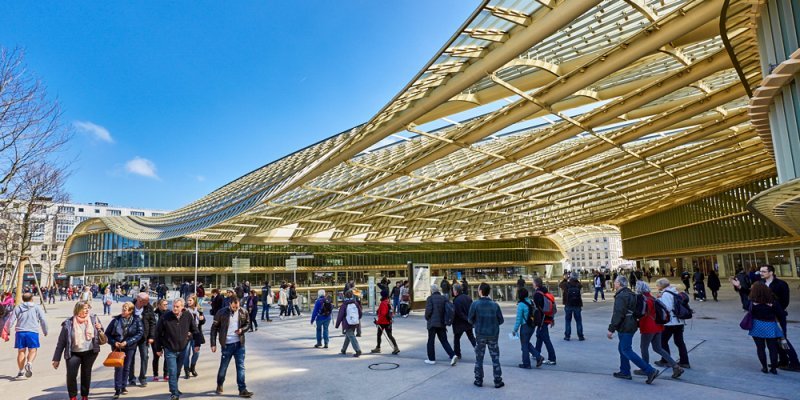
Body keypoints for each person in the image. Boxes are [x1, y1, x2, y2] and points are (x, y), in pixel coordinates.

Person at [607, 276, 659, 384]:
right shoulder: (631, 294)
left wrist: (611, 328)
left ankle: (649, 370)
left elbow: (618, 313)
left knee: (626, 349)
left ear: (619, 284)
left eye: (616, 282)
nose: (614, 283)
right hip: (632, 323)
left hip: (625, 325)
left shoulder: (621, 296)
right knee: (622, 348)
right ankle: (625, 371)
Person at [52, 301, 104, 400]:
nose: (87, 310)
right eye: (85, 308)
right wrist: (56, 359)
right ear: (78, 309)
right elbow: (61, 342)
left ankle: (85, 396)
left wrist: (100, 328)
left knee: (86, 374)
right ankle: (73, 396)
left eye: (88, 308)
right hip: (73, 353)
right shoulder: (68, 323)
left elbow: (102, 334)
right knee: (71, 375)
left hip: (90, 352)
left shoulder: (93, 319)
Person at [751, 265, 800, 371]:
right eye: (760, 271)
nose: (761, 273)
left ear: (771, 272)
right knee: (773, 341)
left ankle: (795, 362)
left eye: (764, 271)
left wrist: (776, 310)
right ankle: (782, 360)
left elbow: (785, 301)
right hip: (767, 318)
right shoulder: (761, 283)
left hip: (778, 316)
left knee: (783, 339)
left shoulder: (781, 284)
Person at [154, 298, 202, 400]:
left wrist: (197, 343)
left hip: (183, 349)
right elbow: (157, 334)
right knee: (172, 371)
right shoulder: (165, 317)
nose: (175, 308)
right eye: (173, 306)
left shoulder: (187, 315)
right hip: (169, 349)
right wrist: (158, 348)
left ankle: (174, 388)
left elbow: (195, 330)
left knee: (177, 371)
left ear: (182, 307)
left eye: (177, 307)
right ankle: (174, 393)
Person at [634, 281, 683, 379]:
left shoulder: (643, 299)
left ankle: (645, 368)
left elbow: (640, 313)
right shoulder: (653, 298)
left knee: (644, 347)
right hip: (658, 326)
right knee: (658, 348)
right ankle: (675, 366)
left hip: (648, 327)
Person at [210, 296, 253, 398]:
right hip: (227, 345)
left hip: (239, 344)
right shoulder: (221, 312)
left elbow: (248, 324)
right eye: (234, 307)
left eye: (237, 307)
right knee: (223, 368)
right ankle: (219, 384)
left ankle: (242, 389)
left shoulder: (243, 311)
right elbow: (214, 328)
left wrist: (242, 330)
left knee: (241, 367)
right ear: (229, 304)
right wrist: (213, 344)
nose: (236, 309)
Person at [2, 292, 49, 379]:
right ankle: (29, 363)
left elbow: (11, 320)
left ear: (23, 299)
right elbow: (43, 319)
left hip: (20, 332)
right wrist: (45, 330)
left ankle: (21, 372)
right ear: (32, 298)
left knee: (21, 351)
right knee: (33, 350)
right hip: (32, 332)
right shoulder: (37, 307)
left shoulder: (18, 307)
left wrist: (7, 330)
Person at [468, 282, 504, 388]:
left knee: (479, 358)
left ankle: (478, 380)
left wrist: (477, 323)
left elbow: (470, 319)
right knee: (495, 358)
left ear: (480, 291)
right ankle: (497, 380)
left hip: (480, 335)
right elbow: (501, 320)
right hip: (493, 335)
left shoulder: (475, 304)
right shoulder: (495, 305)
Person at [106, 302, 144, 399]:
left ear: (130, 311)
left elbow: (140, 333)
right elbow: (107, 334)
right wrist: (114, 342)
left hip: (129, 347)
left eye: (125, 309)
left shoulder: (136, 320)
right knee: (119, 368)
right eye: (122, 308)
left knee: (126, 367)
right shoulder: (116, 320)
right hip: (117, 347)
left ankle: (123, 386)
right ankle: (117, 389)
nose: (123, 311)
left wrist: (127, 342)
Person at [746, 282, 784, 374]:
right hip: (770, 325)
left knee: (760, 348)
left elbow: (749, 312)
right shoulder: (773, 301)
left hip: (757, 326)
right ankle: (774, 368)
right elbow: (780, 313)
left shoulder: (752, 302)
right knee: (772, 348)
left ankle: (764, 367)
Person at [654, 278, 691, 369]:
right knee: (679, 342)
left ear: (661, 286)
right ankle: (684, 361)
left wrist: (659, 300)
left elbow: (667, 308)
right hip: (679, 321)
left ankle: (666, 360)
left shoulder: (666, 294)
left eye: (657, 285)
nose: (657, 287)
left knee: (663, 341)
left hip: (670, 322)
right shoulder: (675, 291)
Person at [424, 284, 457, 366]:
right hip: (442, 323)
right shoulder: (444, 298)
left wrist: (427, 318)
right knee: (444, 341)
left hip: (432, 323)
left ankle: (431, 359)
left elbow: (428, 311)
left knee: (431, 341)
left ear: (431, 291)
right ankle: (453, 355)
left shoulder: (430, 298)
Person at [128, 292, 156, 388]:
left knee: (145, 357)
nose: (148, 302)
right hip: (131, 337)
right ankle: (131, 378)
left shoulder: (149, 308)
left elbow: (153, 323)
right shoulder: (130, 306)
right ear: (139, 300)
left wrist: (152, 337)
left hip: (144, 338)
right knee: (130, 358)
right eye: (146, 301)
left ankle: (142, 378)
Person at [511, 288, 544, 369]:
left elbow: (518, 319)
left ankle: (527, 363)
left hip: (525, 326)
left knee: (524, 345)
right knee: (526, 343)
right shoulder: (531, 302)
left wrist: (514, 330)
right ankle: (538, 356)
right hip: (532, 326)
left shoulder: (521, 305)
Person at [532, 278, 556, 365]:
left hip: (542, 319)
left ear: (536, 284)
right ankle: (536, 353)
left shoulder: (537, 294)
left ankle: (552, 358)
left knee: (546, 339)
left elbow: (537, 309)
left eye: (533, 282)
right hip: (547, 317)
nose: (532, 284)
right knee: (539, 335)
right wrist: (552, 319)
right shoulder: (546, 293)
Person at [183, 294, 206, 378]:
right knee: (186, 353)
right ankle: (186, 370)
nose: (188, 302)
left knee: (196, 353)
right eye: (187, 300)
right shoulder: (184, 310)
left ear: (194, 301)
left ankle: (192, 367)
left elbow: (202, 322)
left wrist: (202, 319)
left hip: (197, 334)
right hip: (187, 334)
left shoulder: (199, 310)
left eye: (190, 300)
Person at [334, 290, 362, 357]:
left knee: (351, 336)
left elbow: (340, 316)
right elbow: (360, 313)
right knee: (348, 335)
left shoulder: (344, 305)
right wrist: (356, 319)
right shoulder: (355, 303)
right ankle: (343, 349)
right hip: (355, 322)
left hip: (347, 323)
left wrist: (337, 325)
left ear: (345, 296)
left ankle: (358, 350)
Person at [371, 290, 399, 354]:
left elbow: (383, 314)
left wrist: (378, 321)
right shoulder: (388, 302)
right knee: (389, 335)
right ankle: (396, 347)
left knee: (379, 335)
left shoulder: (383, 303)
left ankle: (378, 348)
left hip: (383, 322)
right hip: (389, 321)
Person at [452, 283, 476, 359]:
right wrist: (470, 319)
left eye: (453, 290)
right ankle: (478, 350)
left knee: (456, 339)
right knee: (471, 337)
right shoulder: (468, 297)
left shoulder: (456, 300)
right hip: (468, 322)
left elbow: (459, 313)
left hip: (459, 323)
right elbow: (472, 309)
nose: (453, 292)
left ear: (456, 291)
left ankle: (457, 354)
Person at [152, 299, 169, 382]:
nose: (166, 306)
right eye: (164, 304)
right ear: (159, 305)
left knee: (167, 356)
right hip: (156, 338)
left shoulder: (169, 313)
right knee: (156, 356)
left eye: (167, 304)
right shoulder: (154, 314)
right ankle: (155, 374)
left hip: (166, 338)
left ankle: (166, 374)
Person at [563, 274, 584, 341]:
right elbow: (580, 285)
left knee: (568, 321)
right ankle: (580, 336)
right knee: (578, 321)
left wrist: (565, 279)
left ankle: (567, 336)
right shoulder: (578, 284)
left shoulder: (566, 284)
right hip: (577, 305)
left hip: (568, 304)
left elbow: (560, 285)